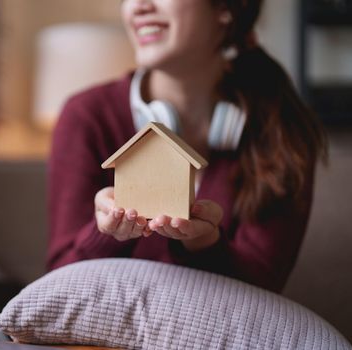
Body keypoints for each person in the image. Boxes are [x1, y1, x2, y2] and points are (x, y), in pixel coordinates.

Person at [46, 0, 327, 293]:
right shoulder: (87, 116)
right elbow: (55, 282)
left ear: (225, 8)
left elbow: (264, 291)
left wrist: (204, 244)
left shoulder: (282, 130)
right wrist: (106, 233)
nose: (138, 7)